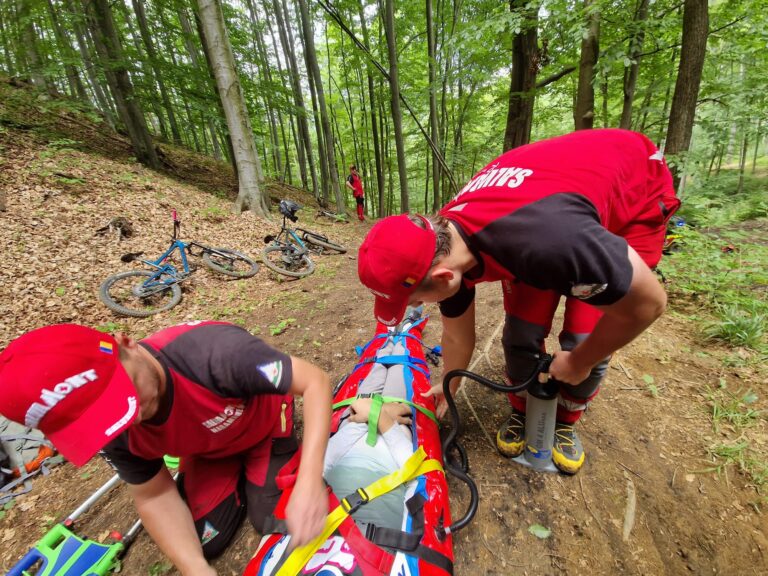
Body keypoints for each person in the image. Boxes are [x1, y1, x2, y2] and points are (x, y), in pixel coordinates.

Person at [357, 129, 680, 475]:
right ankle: (524, 410)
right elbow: (456, 336)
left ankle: (565, 421)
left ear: (442, 278)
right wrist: (450, 384)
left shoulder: (549, 242)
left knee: (586, 337)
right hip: (552, 204)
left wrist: (580, 362)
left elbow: (646, 304)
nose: (418, 307)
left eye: (417, 300)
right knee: (522, 330)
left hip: (632, 192)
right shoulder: (446, 244)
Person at [0, 321, 331, 575]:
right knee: (204, 544)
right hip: (206, 449)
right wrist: (195, 569)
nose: (132, 416)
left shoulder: (216, 353)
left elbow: (314, 381)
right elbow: (153, 494)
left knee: (276, 519)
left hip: (264, 425)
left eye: (123, 396)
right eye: (106, 416)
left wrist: (309, 481)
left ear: (125, 343)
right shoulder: (112, 432)